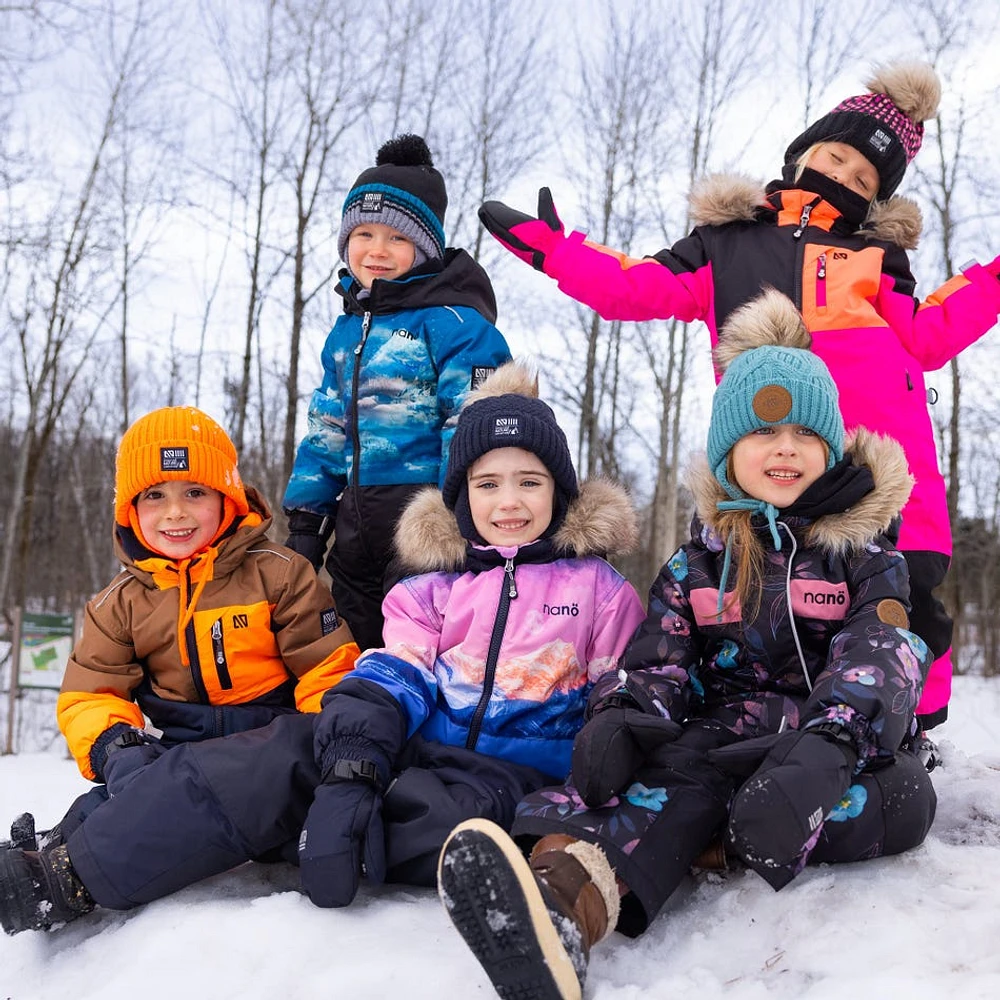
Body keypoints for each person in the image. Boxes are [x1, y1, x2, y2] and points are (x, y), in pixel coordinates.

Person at [0, 363, 645, 934]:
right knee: (283, 758)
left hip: (513, 785)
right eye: (487, 484)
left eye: (529, 482)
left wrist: (588, 785)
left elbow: (620, 704)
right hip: (420, 754)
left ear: (560, 492)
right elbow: (391, 677)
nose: (508, 502)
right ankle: (64, 875)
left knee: (421, 820)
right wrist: (351, 764)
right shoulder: (430, 591)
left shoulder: (601, 593)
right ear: (459, 497)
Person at [437, 291, 938, 1000]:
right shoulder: (699, 560)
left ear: (829, 446)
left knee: (902, 800)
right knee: (634, 792)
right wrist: (623, 712)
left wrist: (831, 747)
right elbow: (659, 657)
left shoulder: (862, 554)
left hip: (825, 746)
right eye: (765, 434)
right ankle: (559, 910)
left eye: (804, 433)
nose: (785, 448)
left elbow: (881, 654)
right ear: (730, 451)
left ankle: (723, 833)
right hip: (717, 741)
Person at [477, 61, 1000, 732]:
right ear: (805, 151)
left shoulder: (876, 258)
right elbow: (638, 286)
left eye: (864, 177)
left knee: (909, 601)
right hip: (773, 455)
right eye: (836, 156)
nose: (843, 175)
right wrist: (557, 251)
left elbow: (930, 334)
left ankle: (910, 732)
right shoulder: (729, 245)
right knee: (769, 596)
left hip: (880, 463)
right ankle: (754, 718)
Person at [0, 405, 359, 933]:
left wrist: (333, 745)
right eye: (155, 496)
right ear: (130, 509)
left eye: (194, 492)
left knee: (254, 764)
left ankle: (75, 877)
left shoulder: (280, 574)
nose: (176, 513)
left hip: (271, 738)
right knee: (123, 796)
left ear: (227, 498)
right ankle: (51, 855)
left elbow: (327, 670)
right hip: (181, 743)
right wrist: (116, 749)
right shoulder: (117, 603)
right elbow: (90, 693)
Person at [283, 132, 512, 651]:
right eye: (363, 233)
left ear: (424, 247)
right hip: (354, 528)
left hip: (426, 523)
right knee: (351, 649)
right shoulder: (347, 331)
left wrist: (460, 511)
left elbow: (473, 420)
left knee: (415, 649)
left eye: (397, 238)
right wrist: (307, 517)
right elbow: (327, 429)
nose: (377, 251)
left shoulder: (455, 323)